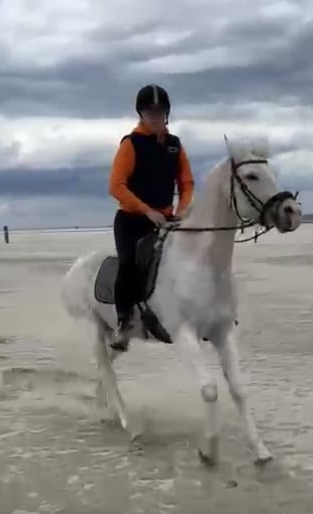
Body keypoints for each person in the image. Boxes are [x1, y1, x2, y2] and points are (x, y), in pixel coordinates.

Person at [107, 83, 195, 351]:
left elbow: (187, 183)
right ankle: (123, 324)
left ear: (167, 113)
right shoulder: (131, 144)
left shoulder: (174, 146)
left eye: (159, 111)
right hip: (131, 221)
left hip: (167, 221)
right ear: (141, 114)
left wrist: (181, 212)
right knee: (129, 265)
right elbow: (116, 185)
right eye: (149, 111)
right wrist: (147, 210)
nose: (154, 116)